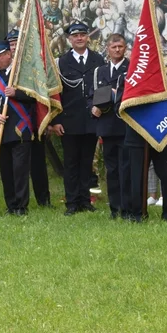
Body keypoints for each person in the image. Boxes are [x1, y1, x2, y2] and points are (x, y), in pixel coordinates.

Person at [52, 22, 104, 216]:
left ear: (87, 37)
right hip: (68, 121)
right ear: (69, 39)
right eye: (75, 36)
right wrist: (55, 121)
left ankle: (85, 200)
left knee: (87, 162)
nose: (80, 38)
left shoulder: (98, 60)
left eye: (83, 34)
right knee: (71, 163)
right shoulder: (61, 62)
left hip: (91, 119)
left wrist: (101, 110)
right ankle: (72, 202)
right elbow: (55, 95)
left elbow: (102, 88)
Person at [0, 40, 36, 215]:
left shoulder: (21, 74)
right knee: (6, 170)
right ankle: (11, 205)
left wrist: (16, 94)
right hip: (0, 128)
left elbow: (34, 96)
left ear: (8, 54)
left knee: (20, 170)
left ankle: (21, 206)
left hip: (19, 129)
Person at [8, 27, 51, 207]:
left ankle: (44, 200)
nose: (14, 47)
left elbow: (39, 95)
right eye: (11, 44)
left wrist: (16, 94)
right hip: (14, 125)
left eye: (17, 42)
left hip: (34, 120)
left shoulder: (33, 68)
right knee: (17, 166)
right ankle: (18, 200)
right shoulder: (6, 69)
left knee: (38, 164)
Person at [91, 33, 128, 219]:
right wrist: (93, 107)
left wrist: (115, 95)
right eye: (113, 47)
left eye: (120, 47)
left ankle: (128, 207)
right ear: (107, 48)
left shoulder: (132, 69)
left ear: (125, 48)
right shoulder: (100, 71)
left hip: (125, 126)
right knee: (111, 170)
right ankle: (115, 208)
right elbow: (92, 95)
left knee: (126, 169)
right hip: (106, 127)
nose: (117, 50)